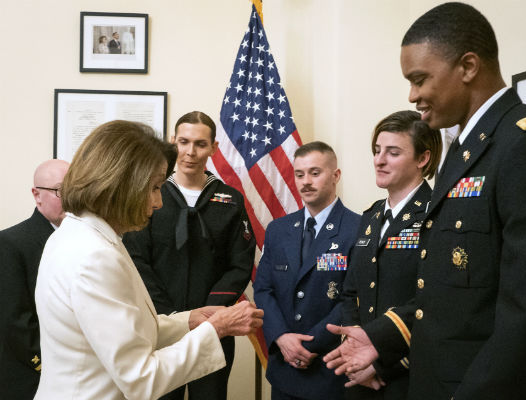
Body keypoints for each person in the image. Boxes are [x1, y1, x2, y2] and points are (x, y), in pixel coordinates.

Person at [324, 3, 526, 399]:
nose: (412, 95)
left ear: (468, 67)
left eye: (419, 79)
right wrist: (382, 338)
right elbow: (449, 291)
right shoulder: (464, 151)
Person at [34, 120, 263, 400]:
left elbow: (130, 329)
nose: (159, 202)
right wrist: (217, 329)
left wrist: (189, 320)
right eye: (155, 188)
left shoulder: (81, 234)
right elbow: (141, 378)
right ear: (123, 185)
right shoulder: (94, 257)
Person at [123, 111, 256, 400]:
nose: (190, 152)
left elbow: (240, 263)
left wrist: (209, 315)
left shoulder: (230, 200)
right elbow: (137, 261)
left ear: (213, 148)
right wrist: (172, 316)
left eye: (200, 144)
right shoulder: (150, 195)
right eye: (183, 142)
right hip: (160, 326)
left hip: (214, 328)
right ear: (173, 143)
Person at [339, 111, 441, 400]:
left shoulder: (437, 214)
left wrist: (382, 364)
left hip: (407, 375)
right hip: (359, 373)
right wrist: (354, 346)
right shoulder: (371, 216)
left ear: (423, 159)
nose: (379, 160)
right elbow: (351, 291)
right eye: (377, 151)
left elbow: (436, 303)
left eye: (393, 152)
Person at [253, 141, 360, 400]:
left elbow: (353, 297)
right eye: (299, 174)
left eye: (315, 173)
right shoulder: (278, 230)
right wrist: (280, 337)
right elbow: (264, 289)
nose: (305, 182)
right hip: (284, 368)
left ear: (336, 176)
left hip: (329, 367)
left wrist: (308, 343)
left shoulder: (358, 228)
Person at [0, 159, 69, 399]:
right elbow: (15, 321)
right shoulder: (10, 243)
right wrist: (49, 365)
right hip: (31, 376)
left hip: (70, 373)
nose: (70, 199)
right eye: (62, 191)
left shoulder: (77, 242)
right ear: (36, 194)